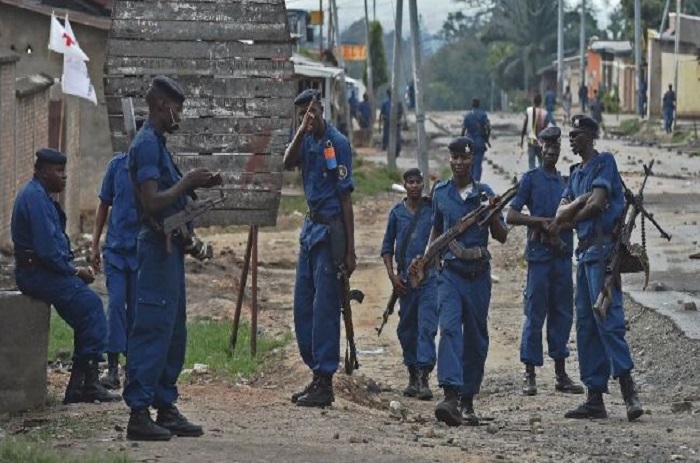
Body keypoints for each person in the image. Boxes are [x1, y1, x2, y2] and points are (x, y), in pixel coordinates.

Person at [124, 75, 223, 441]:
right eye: (177, 108)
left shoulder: (159, 144)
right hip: (155, 249)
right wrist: (187, 183)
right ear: (163, 106)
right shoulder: (146, 145)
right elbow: (152, 201)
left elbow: (171, 198)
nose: (179, 115)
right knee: (152, 329)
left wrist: (198, 185)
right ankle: (139, 413)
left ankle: (164, 406)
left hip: (170, 251)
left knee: (172, 332)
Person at [551, 115, 644, 422]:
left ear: (590, 136)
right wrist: (580, 201)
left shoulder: (604, 163)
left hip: (604, 252)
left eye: (576, 134)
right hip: (584, 253)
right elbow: (561, 211)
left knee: (608, 319)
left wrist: (572, 213)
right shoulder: (575, 172)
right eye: (571, 134)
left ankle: (629, 391)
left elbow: (598, 203)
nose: (571, 139)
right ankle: (594, 398)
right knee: (587, 326)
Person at [11, 148, 121, 406]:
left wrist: (72, 269)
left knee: (87, 309)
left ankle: (80, 386)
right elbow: (47, 250)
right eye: (59, 171)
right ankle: (86, 385)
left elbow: (54, 247)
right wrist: (74, 271)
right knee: (91, 307)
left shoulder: (42, 196)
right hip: (36, 274)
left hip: (44, 271)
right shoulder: (34, 198)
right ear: (43, 172)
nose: (64, 177)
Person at [412, 136, 508, 427]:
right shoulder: (440, 192)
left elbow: (502, 235)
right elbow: (437, 231)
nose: (458, 163)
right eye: (454, 158)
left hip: (478, 275)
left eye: (464, 158)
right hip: (449, 274)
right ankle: (450, 395)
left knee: (476, 339)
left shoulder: (485, 194)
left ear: (472, 159)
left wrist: (491, 214)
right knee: (450, 329)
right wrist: (427, 260)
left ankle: (467, 400)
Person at [283, 89, 356, 408]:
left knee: (326, 309)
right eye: (302, 114)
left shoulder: (336, 143)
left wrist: (351, 250)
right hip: (309, 230)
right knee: (303, 307)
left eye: (311, 113)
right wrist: (301, 130)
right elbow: (287, 162)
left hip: (330, 232)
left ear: (322, 110)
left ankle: (325, 382)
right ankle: (315, 373)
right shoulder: (306, 139)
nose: (307, 118)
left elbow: (346, 200)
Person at [506, 126, 584, 397]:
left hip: (562, 257)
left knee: (562, 313)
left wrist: (563, 224)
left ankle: (561, 373)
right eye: (546, 147)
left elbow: (578, 217)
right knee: (534, 314)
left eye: (555, 147)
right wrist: (539, 222)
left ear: (560, 150)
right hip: (539, 258)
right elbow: (512, 215)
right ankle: (530, 373)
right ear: (540, 149)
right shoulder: (530, 179)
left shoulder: (567, 182)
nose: (551, 151)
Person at [91, 122, 144, 390]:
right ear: (127, 138)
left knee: (135, 309)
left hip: (140, 253)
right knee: (116, 305)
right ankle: (112, 367)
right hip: (115, 250)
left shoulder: (148, 173)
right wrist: (94, 245)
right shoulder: (116, 167)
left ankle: (132, 365)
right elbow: (103, 204)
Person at [381, 168, 437, 401]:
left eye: (418, 182)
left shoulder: (431, 211)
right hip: (405, 282)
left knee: (426, 326)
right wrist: (393, 278)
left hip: (429, 279)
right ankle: (412, 373)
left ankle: (424, 376)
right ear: (404, 185)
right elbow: (386, 249)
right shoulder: (396, 214)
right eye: (410, 182)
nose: (414, 186)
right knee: (407, 330)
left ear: (422, 184)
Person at [461, 98, 491, 181]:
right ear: (479, 105)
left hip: (468, 142)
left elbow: (463, 129)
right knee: (478, 165)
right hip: (479, 142)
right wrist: (487, 139)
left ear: (472, 105)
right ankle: (476, 184)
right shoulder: (483, 115)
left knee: (470, 164)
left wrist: (461, 141)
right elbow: (488, 128)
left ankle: (470, 183)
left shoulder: (467, 116)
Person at [520, 94, 550, 170]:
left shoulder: (529, 111)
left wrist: (522, 140)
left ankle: (532, 179)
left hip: (531, 141)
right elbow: (546, 129)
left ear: (533, 101)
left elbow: (524, 126)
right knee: (542, 163)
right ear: (541, 102)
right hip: (541, 142)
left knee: (531, 163)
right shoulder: (544, 113)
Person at [379, 88, 404, 157]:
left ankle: (391, 149)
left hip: (392, 123)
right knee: (391, 137)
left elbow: (381, 115)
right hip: (391, 123)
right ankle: (391, 150)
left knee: (391, 138)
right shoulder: (397, 102)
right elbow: (381, 115)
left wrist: (379, 125)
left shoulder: (396, 103)